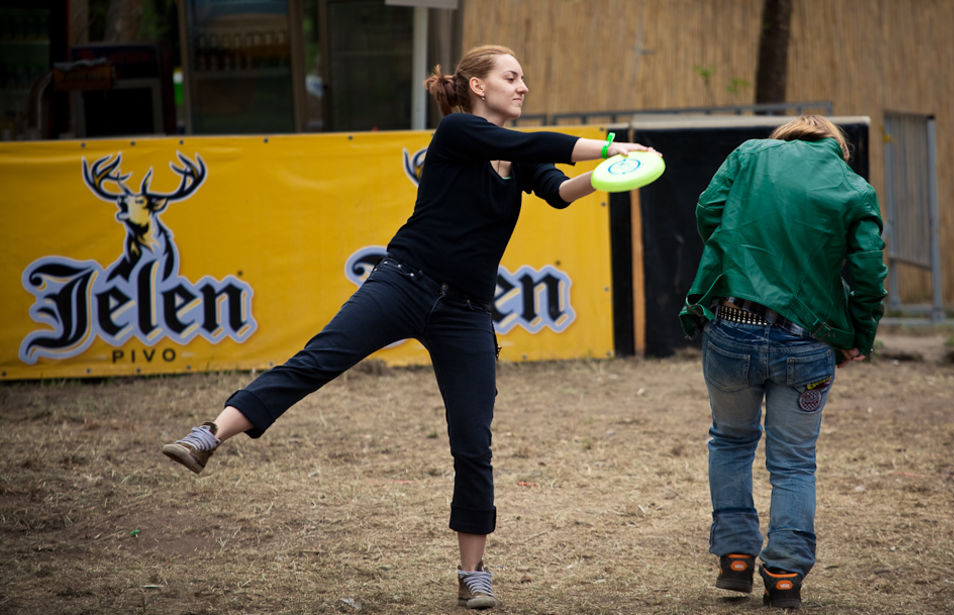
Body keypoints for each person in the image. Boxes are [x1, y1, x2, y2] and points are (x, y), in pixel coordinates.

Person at [162, 44, 658, 610]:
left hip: (466, 309)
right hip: (405, 281)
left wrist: (613, 175)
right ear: (477, 86)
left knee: (473, 441)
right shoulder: (457, 134)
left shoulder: (515, 157)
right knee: (317, 361)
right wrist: (613, 143)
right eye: (512, 77)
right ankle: (209, 435)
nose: (523, 87)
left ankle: (473, 574)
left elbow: (558, 191)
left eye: (525, 78)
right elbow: (529, 143)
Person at [678, 115, 887, 609]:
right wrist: (861, 336)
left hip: (732, 327)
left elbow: (709, 211)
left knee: (729, 441)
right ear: (836, 147)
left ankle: (734, 558)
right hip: (809, 342)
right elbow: (868, 272)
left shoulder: (750, 155)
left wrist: (741, 255)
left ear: (786, 136)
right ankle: (785, 574)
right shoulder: (854, 188)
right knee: (794, 463)